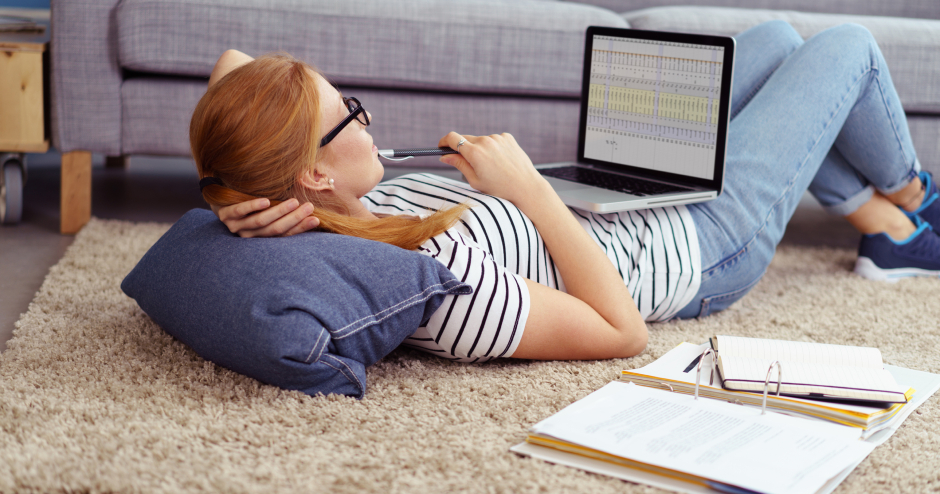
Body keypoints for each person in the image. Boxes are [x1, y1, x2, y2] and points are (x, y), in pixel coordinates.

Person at [193, 21, 940, 363]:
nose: (366, 115)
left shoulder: (337, 209)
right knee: (845, 49)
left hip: (620, 209)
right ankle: (912, 197)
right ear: (314, 172)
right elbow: (622, 333)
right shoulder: (438, 288)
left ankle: (880, 224)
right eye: (349, 113)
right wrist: (529, 191)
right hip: (694, 250)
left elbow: (235, 68)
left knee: (777, 41)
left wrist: (227, 198)